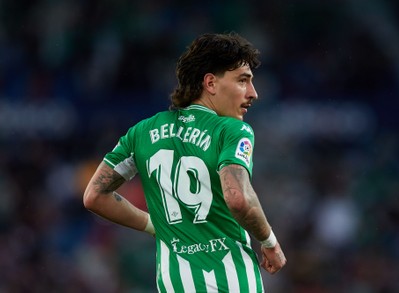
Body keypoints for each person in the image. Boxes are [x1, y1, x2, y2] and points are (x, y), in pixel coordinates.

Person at [83, 32, 287, 292]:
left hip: (174, 284)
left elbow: (94, 196)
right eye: (242, 81)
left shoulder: (141, 133)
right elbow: (237, 197)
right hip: (231, 282)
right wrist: (269, 242)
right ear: (210, 83)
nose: (253, 93)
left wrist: (154, 226)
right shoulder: (231, 130)